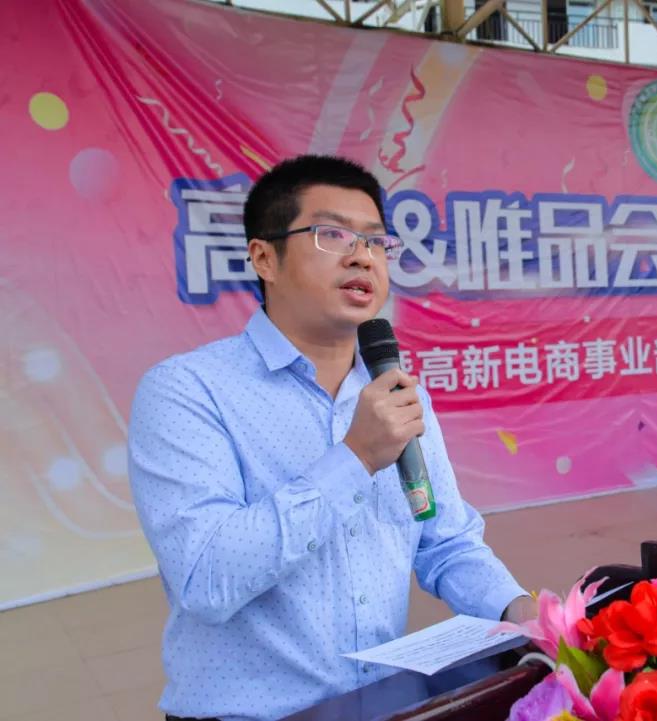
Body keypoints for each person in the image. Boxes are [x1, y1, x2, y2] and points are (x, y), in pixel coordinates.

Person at [128, 155, 536, 721]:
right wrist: (356, 457)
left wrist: (523, 615)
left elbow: (446, 542)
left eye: (375, 241)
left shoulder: (394, 391)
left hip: (380, 706)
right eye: (332, 235)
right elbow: (206, 579)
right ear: (264, 257)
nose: (361, 255)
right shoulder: (188, 390)